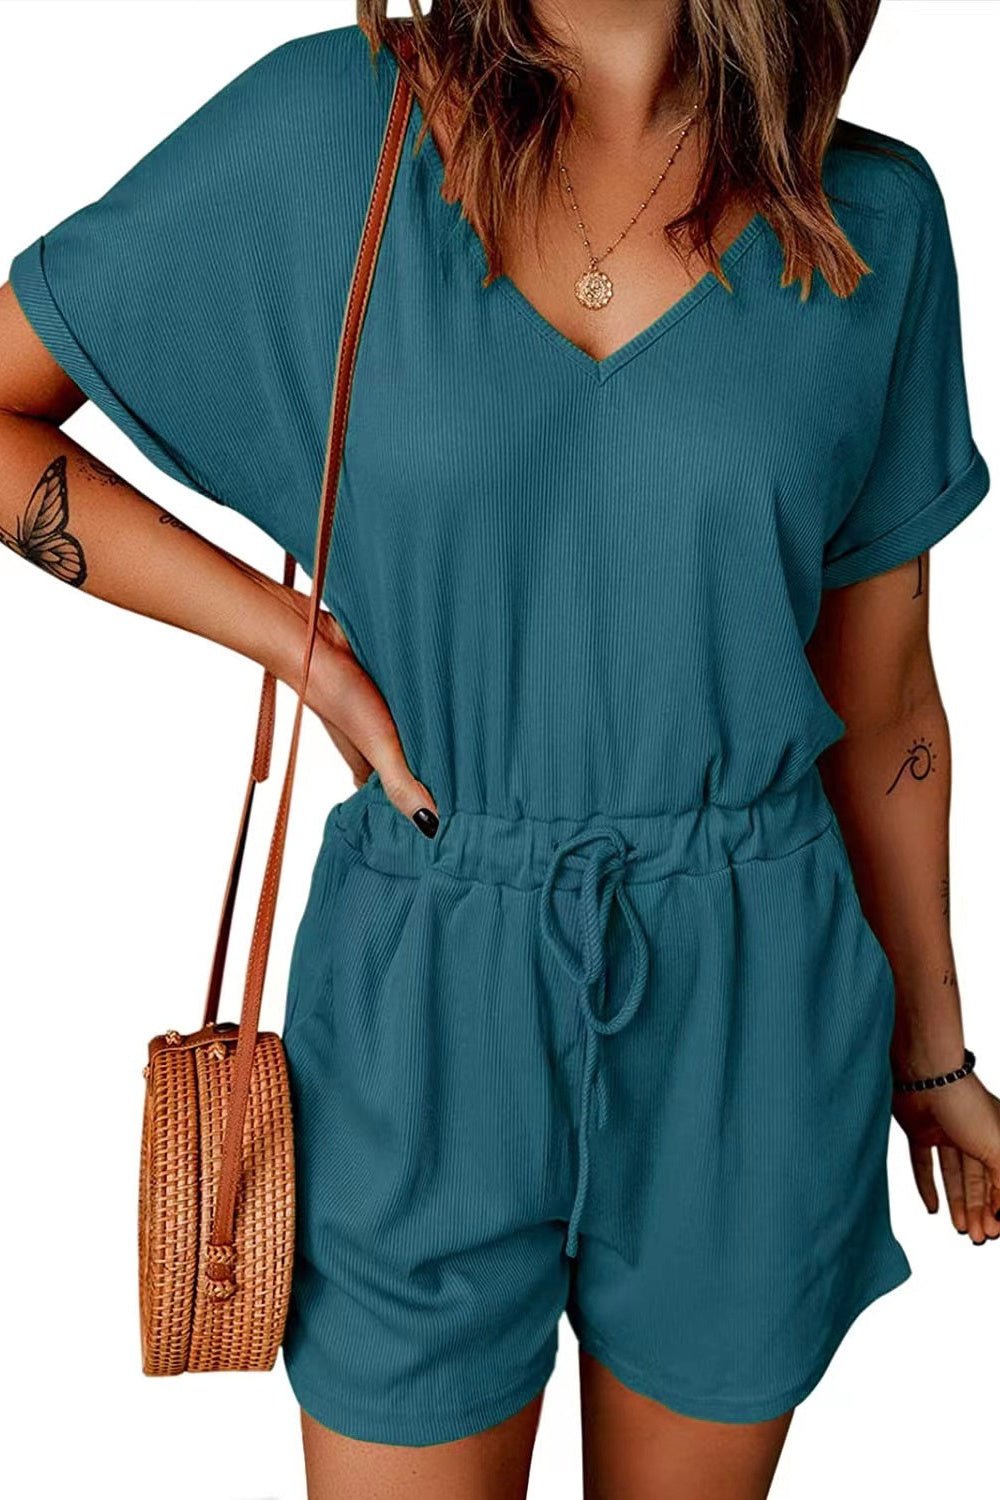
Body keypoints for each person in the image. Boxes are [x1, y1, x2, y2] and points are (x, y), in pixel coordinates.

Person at [1, 3, 997, 1496]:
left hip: (754, 999)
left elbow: (889, 701)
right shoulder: (335, 132)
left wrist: (935, 1055)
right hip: (422, 991)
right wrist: (297, 647)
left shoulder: (871, 216)